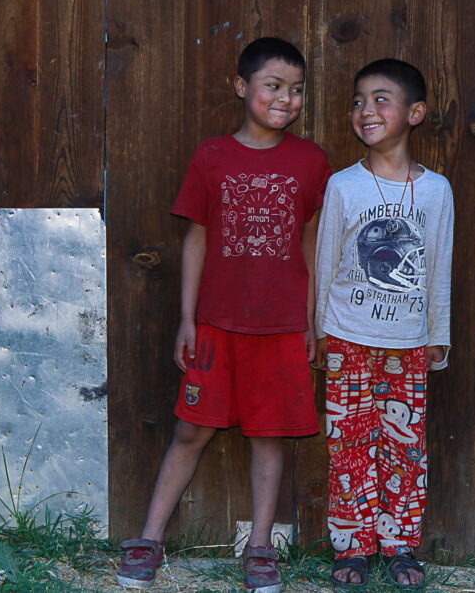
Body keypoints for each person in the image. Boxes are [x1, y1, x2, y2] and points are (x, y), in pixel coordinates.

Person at [116, 37, 332, 593]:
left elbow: (313, 244)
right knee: (190, 431)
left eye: (297, 90)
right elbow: (196, 238)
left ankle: (260, 548)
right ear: (243, 87)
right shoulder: (212, 156)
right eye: (273, 86)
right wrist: (187, 318)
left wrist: (310, 320)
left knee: (271, 438)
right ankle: (148, 540)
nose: (286, 99)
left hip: (282, 329)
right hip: (215, 325)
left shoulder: (311, 162)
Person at [314, 58, 454, 587]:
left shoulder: (436, 191)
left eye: (380, 99)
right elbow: (327, 264)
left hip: (408, 344)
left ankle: (401, 547)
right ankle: (352, 548)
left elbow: (438, 266)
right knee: (348, 447)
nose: (365, 110)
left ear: (414, 113)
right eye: (357, 100)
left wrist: (437, 335)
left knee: (405, 448)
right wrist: (321, 331)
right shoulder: (344, 186)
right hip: (348, 339)